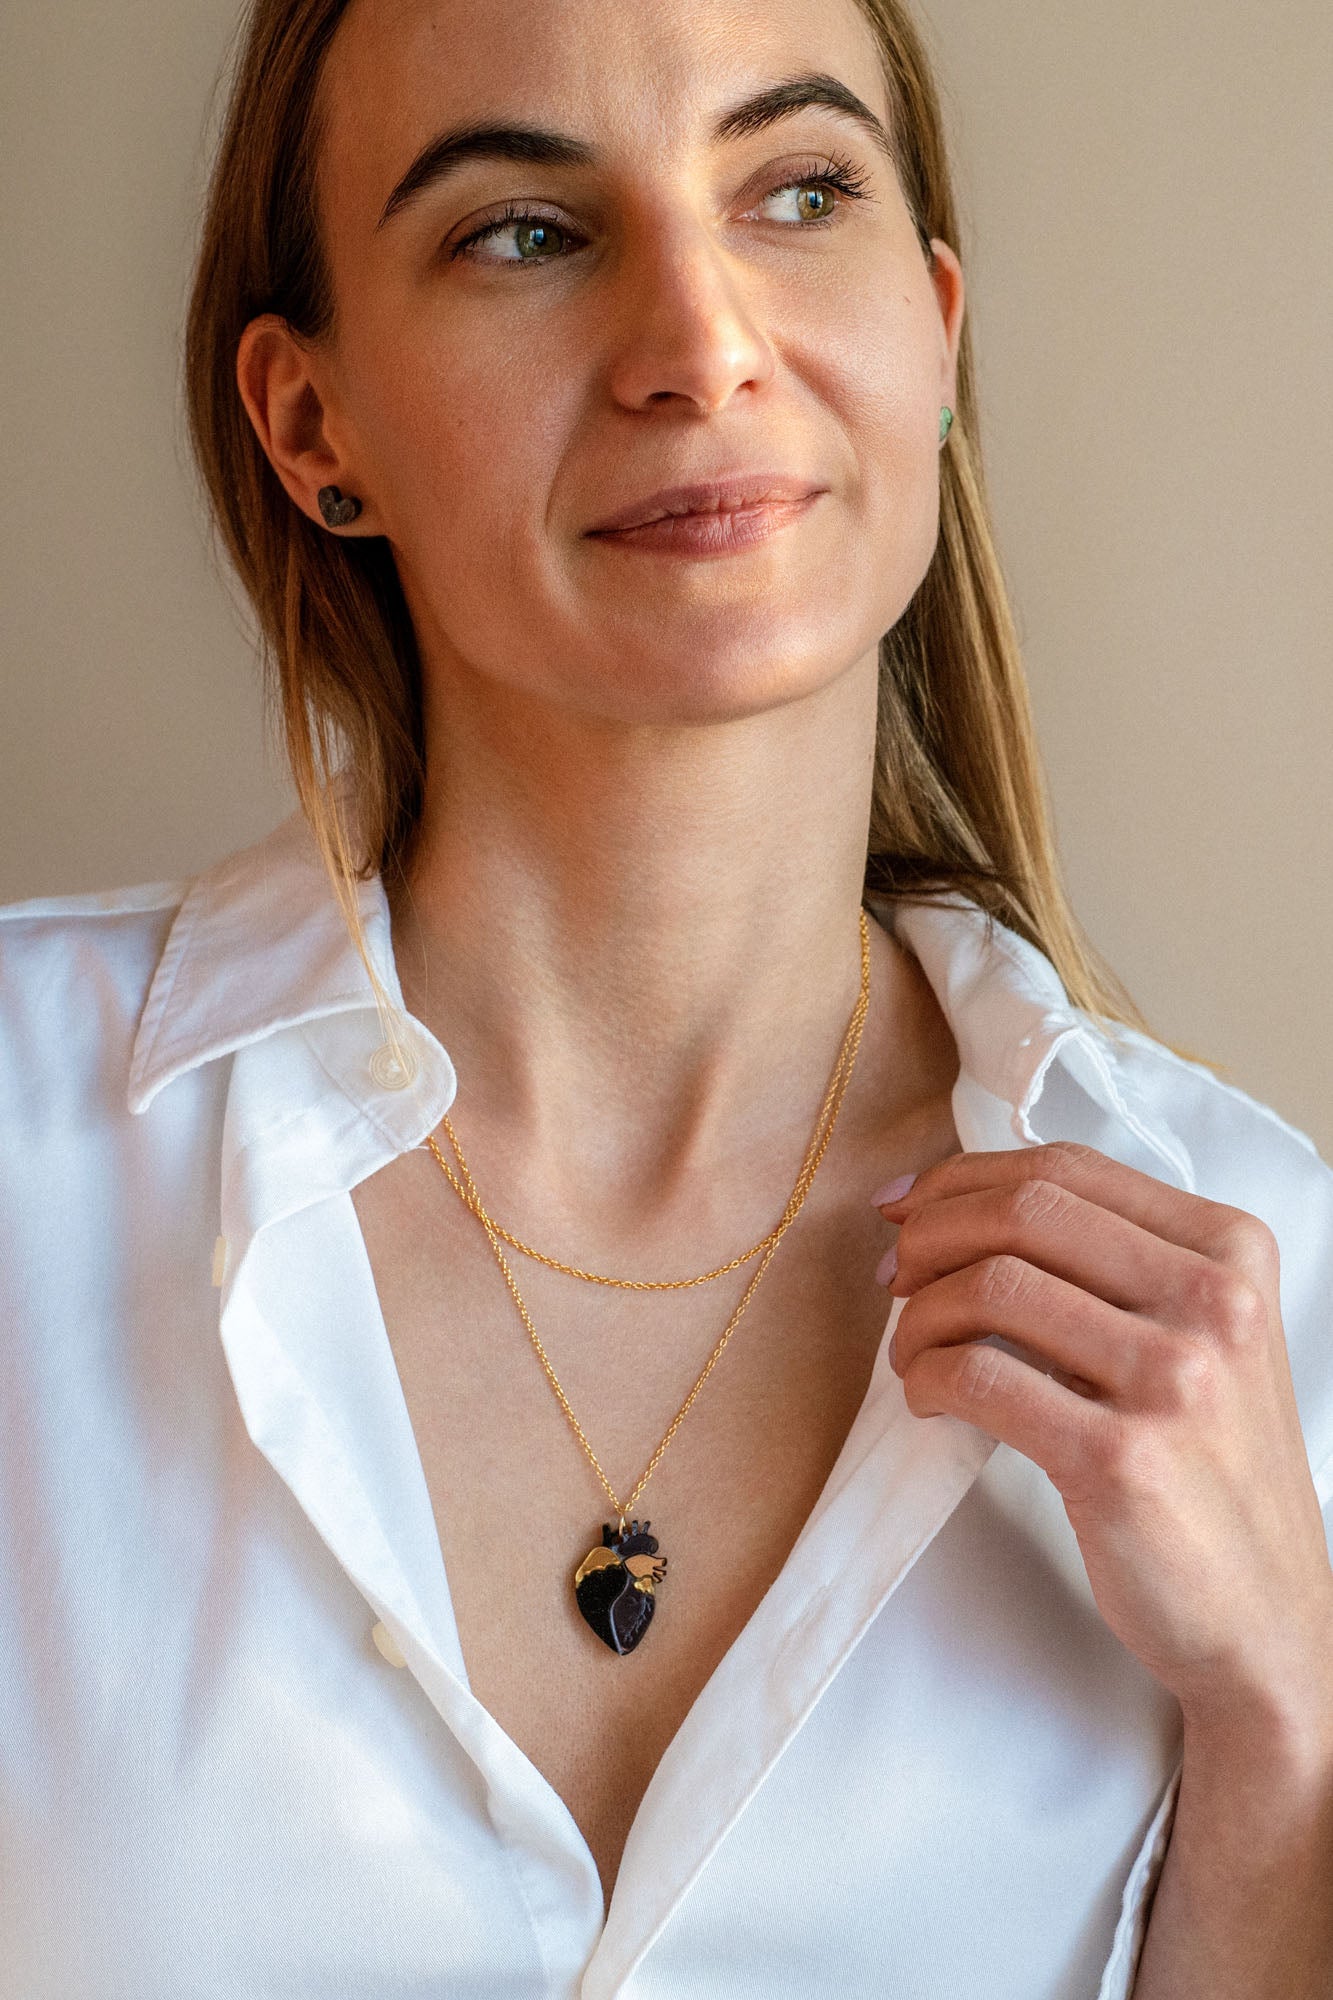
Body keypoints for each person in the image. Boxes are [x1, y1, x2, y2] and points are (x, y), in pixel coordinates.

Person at [1, 0, 1330, 1993]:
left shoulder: (1272, 1289)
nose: (702, 344)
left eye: (798, 190)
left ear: (936, 335)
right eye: (525, 231)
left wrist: (1287, 1736)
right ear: (311, 423)